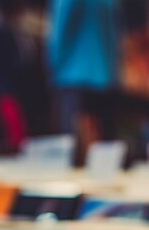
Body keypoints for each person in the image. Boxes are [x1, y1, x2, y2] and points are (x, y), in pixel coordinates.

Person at [47, 0, 120, 138]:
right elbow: (115, 38)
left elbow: (60, 34)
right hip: (105, 80)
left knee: (73, 148)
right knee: (99, 148)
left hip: (73, 79)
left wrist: (53, 69)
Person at [0, 0, 45, 149]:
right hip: (7, 89)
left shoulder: (3, 32)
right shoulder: (2, 32)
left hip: (10, 90)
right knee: (15, 136)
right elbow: (16, 62)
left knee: (17, 133)